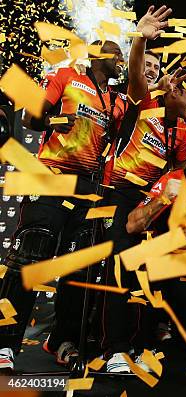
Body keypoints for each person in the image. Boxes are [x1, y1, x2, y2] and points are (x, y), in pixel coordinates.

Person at [0, 40, 127, 371]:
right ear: (99, 56)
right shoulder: (67, 76)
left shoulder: (117, 101)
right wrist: (57, 121)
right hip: (51, 177)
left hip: (89, 187)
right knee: (31, 254)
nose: (121, 60)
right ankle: (5, 343)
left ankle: (62, 340)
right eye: (116, 54)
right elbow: (31, 118)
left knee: (79, 265)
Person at [99, 5, 186, 373]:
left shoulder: (183, 133)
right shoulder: (147, 102)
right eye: (178, 85)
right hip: (120, 193)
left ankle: (140, 345)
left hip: (150, 202)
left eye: (184, 90)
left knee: (147, 270)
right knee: (120, 269)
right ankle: (114, 350)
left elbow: (176, 170)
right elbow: (138, 74)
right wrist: (140, 37)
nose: (176, 88)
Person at [122, 131, 186, 373]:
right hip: (170, 263)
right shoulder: (174, 179)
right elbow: (131, 224)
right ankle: (137, 346)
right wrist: (163, 199)